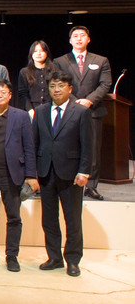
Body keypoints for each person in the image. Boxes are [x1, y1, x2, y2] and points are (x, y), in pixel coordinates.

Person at [0, 79, 39, 273]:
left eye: (3, 92)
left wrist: (30, 175)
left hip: (13, 174)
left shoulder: (21, 117)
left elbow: (29, 147)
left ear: (10, 95)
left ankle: (12, 256)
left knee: (14, 217)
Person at [33, 71, 92, 277]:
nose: (56, 90)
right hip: (46, 172)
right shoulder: (40, 111)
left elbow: (88, 145)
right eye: (52, 86)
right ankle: (54, 258)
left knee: (72, 220)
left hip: (71, 174)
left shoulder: (81, 112)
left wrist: (84, 171)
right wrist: (32, 173)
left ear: (70, 89)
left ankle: (73, 260)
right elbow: (34, 143)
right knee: (49, 219)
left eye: (60, 86)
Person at [54, 26, 112, 201]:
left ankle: (91, 186)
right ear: (70, 40)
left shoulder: (101, 60)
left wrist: (88, 100)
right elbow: (58, 82)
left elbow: (105, 84)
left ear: (88, 39)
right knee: (68, 146)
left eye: (82, 35)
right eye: (75, 36)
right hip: (68, 109)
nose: (79, 38)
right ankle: (68, 180)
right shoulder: (60, 61)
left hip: (93, 110)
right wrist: (75, 101)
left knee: (92, 148)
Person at [17, 40, 56, 119]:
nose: (38, 53)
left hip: (51, 111)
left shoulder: (54, 70)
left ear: (46, 53)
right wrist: (30, 111)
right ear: (31, 54)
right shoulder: (24, 72)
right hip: (31, 112)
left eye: (41, 51)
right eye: (35, 51)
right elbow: (23, 94)